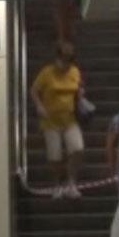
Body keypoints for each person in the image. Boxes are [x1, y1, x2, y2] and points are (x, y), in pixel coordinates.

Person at [31, 41, 87, 199]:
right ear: (57, 58)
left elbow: (78, 87)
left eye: (68, 62)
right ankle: (57, 184)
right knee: (55, 155)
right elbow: (34, 91)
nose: (64, 65)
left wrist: (81, 94)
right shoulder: (47, 73)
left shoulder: (74, 72)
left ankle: (71, 182)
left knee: (77, 148)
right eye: (62, 61)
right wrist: (39, 106)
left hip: (70, 119)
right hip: (50, 121)